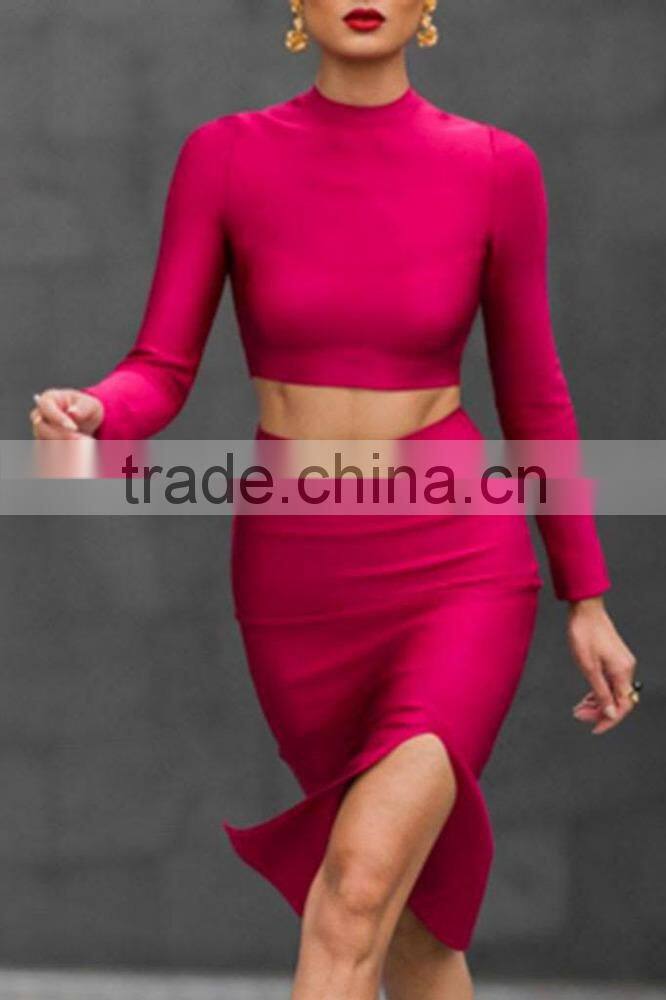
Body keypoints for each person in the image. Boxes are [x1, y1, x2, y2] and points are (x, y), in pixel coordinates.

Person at [29, 2, 639, 997]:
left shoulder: (496, 167)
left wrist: (587, 594)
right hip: (297, 579)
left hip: (458, 563)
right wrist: (97, 413)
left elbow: (534, 393)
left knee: (355, 887)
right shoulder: (225, 158)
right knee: (410, 928)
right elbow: (161, 367)